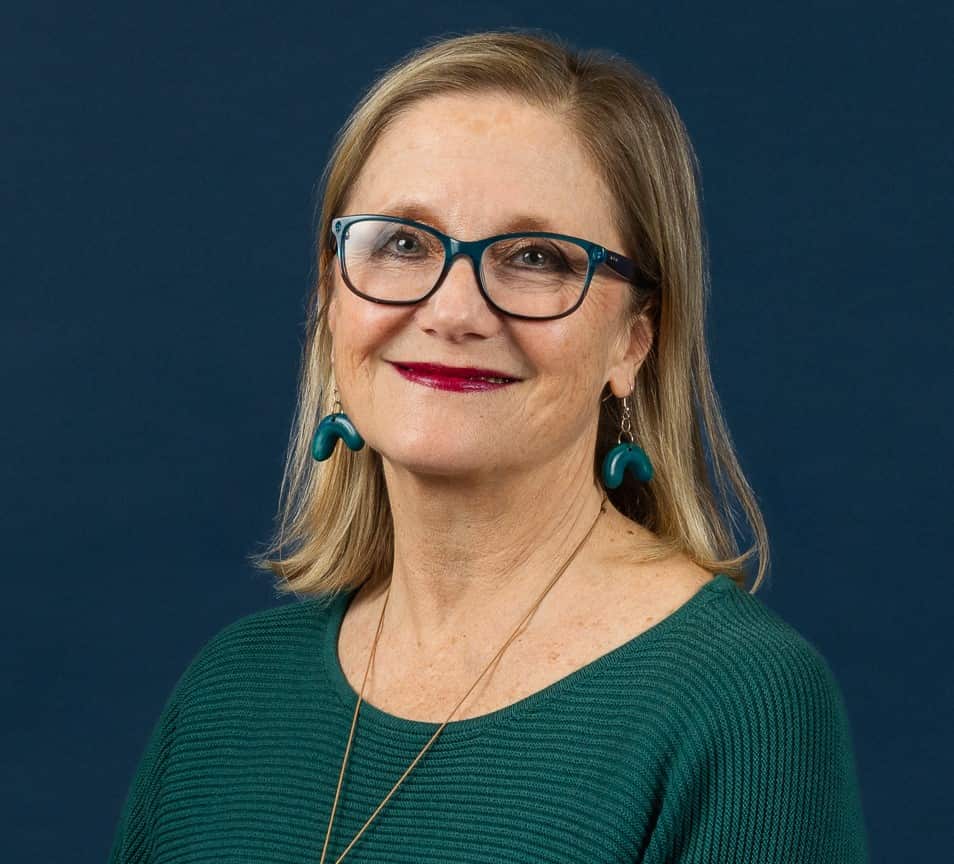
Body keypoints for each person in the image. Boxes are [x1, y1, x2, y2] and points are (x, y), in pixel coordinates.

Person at [108, 29, 869, 863]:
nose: (453, 311)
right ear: (330, 299)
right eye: (403, 243)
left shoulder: (742, 704)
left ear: (632, 342)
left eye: (535, 258)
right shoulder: (226, 694)